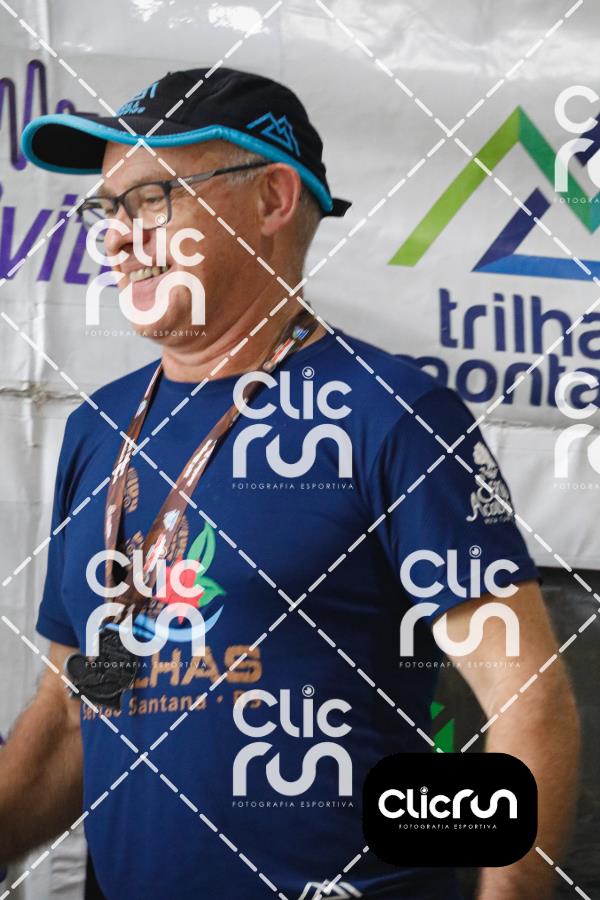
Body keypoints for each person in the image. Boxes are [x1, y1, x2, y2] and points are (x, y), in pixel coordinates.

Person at [0, 67, 579, 899]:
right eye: (107, 209)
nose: (117, 238)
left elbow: (526, 701)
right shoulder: (101, 429)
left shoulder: (389, 414)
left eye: (151, 200)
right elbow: (72, 716)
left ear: (271, 199)